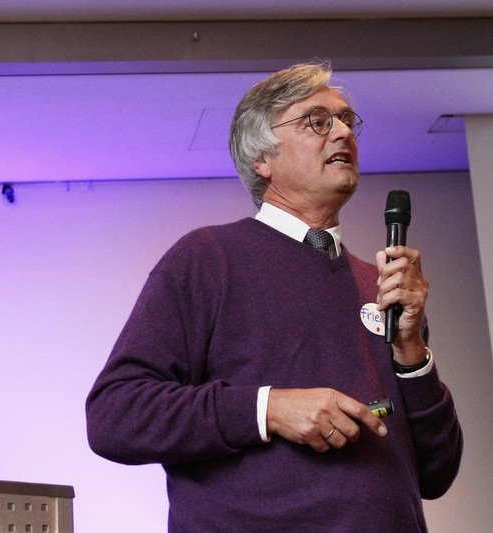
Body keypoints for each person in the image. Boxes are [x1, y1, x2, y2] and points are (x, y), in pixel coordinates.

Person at [86, 62, 463, 532]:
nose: (343, 132)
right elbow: (115, 415)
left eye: (347, 120)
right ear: (261, 158)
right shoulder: (207, 259)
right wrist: (267, 410)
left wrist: (413, 352)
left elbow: (437, 472)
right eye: (317, 122)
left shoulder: (381, 287)